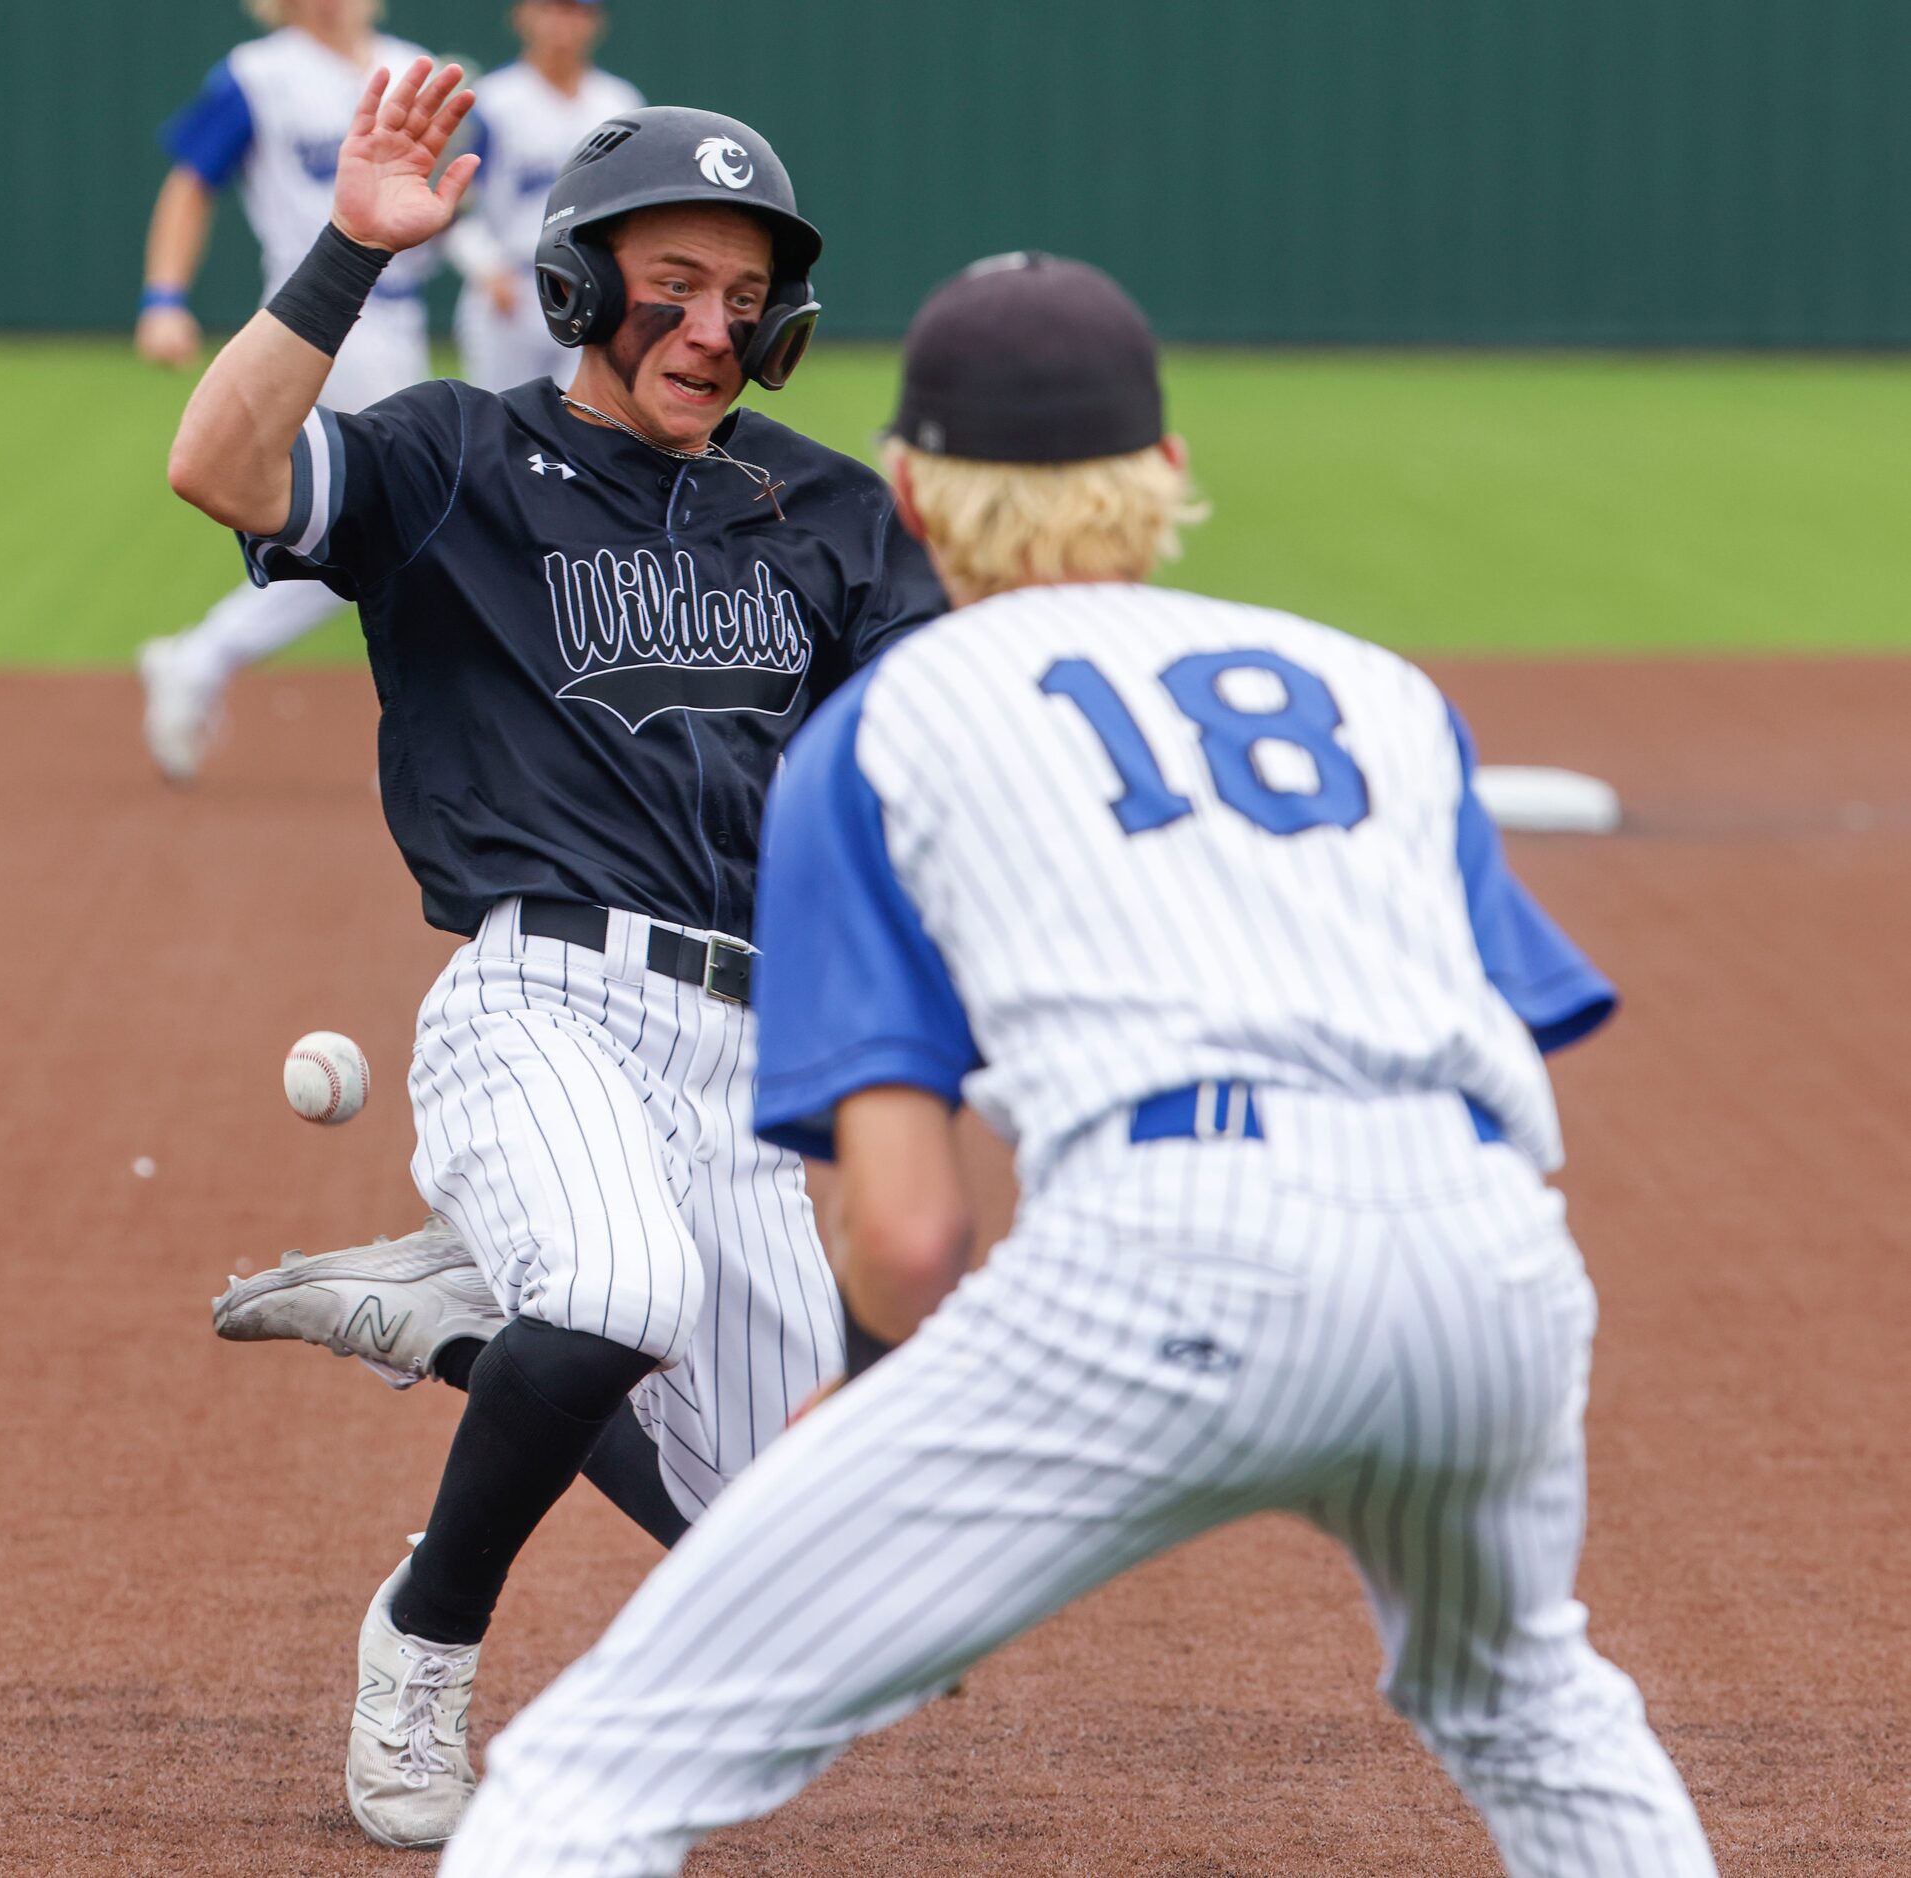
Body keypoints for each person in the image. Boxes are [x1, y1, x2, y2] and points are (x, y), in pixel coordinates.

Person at [435, 255, 1722, 1876]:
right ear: (1167, 477)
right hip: (1491, 1264)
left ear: (909, 489)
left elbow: (908, 1229)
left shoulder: (888, 724)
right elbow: (1510, 1020)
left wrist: (863, 1425)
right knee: (1534, 1707)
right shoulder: (1377, 692)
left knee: (594, 1768)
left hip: (1174, 1256)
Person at [170, 63, 945, 1847]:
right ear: (582, 282)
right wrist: (349, 258)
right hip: (542, 998)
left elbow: (933, 761)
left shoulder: (824, 512)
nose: (713, 326)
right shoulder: (455, 459)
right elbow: (216, 463)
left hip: (756, 1053)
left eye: (749, 299)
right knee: (614, 1293)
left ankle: (468, 1326)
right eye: (675, 281)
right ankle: (425, 1645)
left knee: (830, 1602)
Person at [134, 0, 437, 783]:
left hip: (399, 323)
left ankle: (199, 657)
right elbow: (190, 182)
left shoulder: (409, 63)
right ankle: (428, 730)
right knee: (400, 526)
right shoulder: (257, 74)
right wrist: (163, 298)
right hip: (315, 324)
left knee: (376, 532)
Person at [441, 0, 643, 392]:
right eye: (550, 9)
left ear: (596, 23)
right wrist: (486, 268)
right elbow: (453, 202)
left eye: (575, 12)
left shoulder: (619, 103)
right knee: (501, 426)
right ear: (522, 16)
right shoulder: (492, 102)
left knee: (586, 421)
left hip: (593, 281)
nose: (561, 24)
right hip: (512, 286)